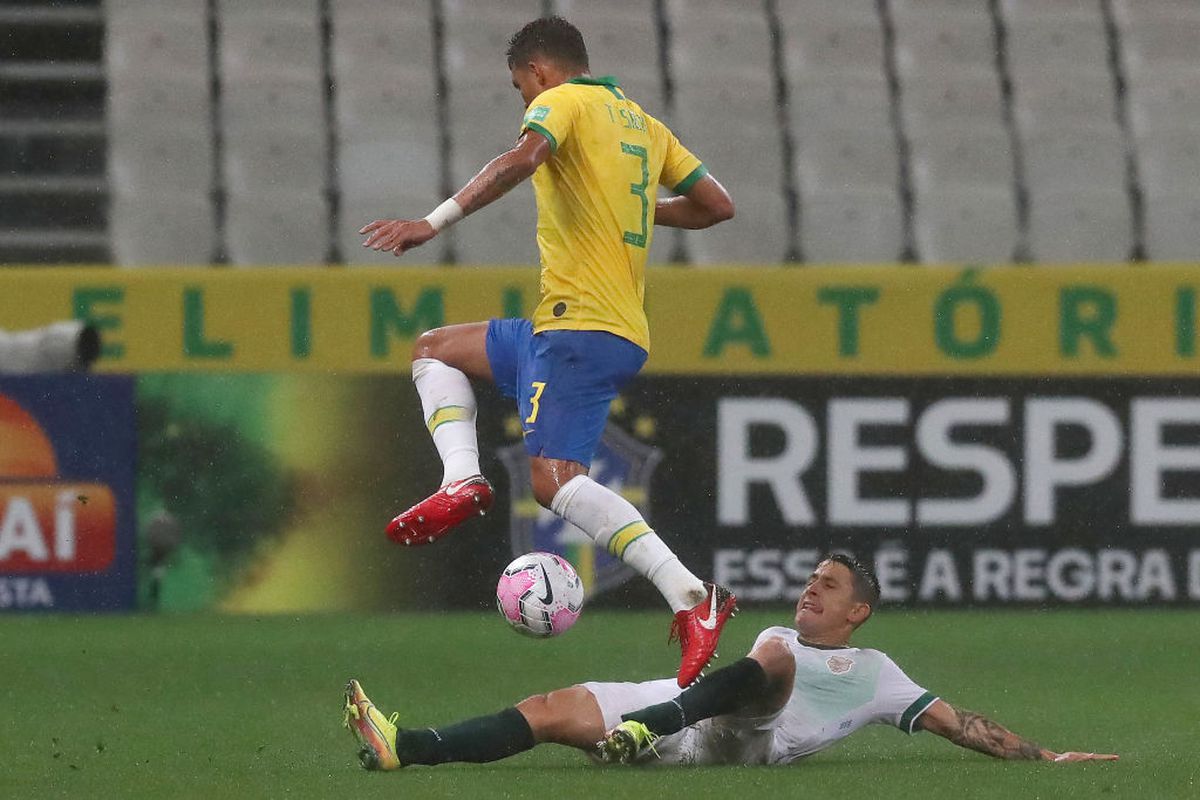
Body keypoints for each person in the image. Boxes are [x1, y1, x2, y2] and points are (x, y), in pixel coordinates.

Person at [359, 16, 737, 687]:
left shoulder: (559, 102)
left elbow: (522, 159)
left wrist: (430, 223)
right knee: (435, 351)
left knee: (553, 481)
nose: (522, 100)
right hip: (570, 327)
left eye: (518, 88)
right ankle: (462, 480)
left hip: (579, 329)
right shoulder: (643, 125)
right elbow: (715, 205)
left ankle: (692, 598)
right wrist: (638, 209)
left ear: (537, 71)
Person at [342, 554, 1118, 770]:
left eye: (831, 585)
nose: (812, 588)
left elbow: (961, 723)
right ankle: (406, 749)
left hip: (749, 738)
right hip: (686, 702)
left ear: (858, 613)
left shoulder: (875, 672)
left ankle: (645, 730)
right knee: (549, 708)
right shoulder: (779, 632)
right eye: (812, 578)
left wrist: (1043, 755)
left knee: (773, 661)